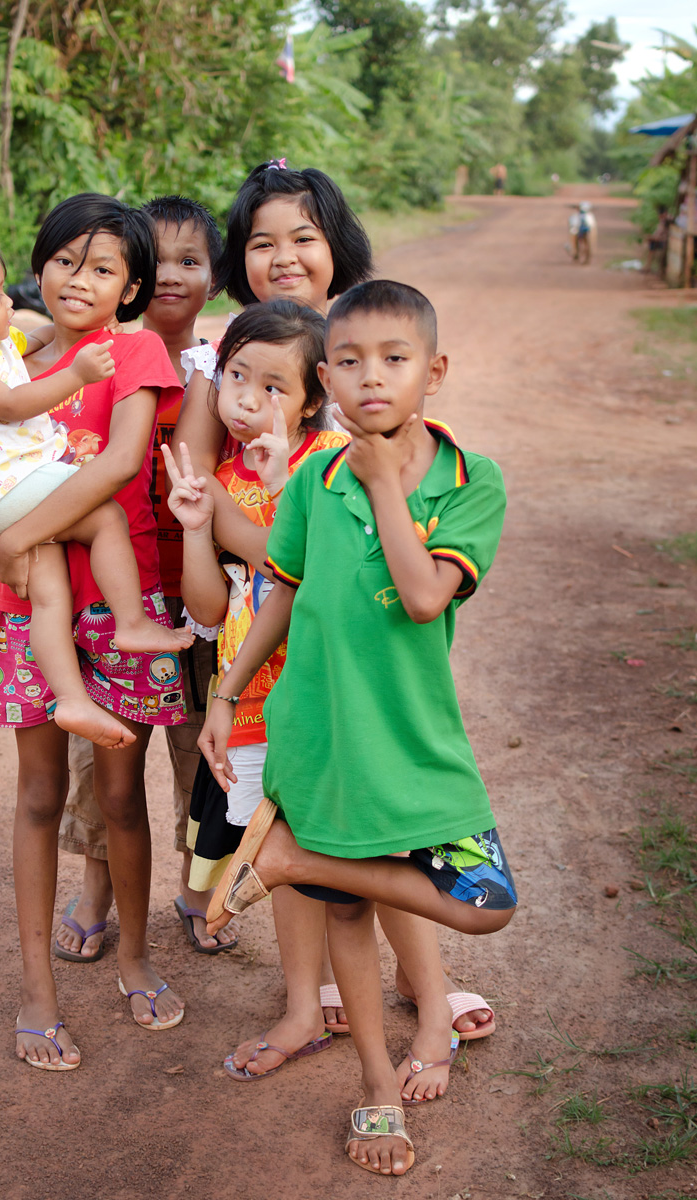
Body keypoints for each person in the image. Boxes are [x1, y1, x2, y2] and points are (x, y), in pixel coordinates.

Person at [174, 159, 496, 1049]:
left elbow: (416, 519)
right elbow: (211, 494)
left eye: (304, 238)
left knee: (384, 823)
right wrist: (274, 534)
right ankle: (309, 996)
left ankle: (424, 986)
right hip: (267, 625)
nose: (283, 257)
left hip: (360, 641)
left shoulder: (369, 344)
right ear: (238, 258)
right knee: (296, 822)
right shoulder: (230, 358)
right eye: (261, 242)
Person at [198, 280, 517, 1174]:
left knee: (486, 902)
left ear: (433, 372)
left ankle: (289, 861)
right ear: (327, 380)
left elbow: (423, 598)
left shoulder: (471, 481)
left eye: (394, 358)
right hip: (319, 735)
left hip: (414, 744)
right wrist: (225, 695)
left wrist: (382, 484)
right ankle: (377, 1084)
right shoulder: (314, 479)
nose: (371, 377)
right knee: (348, 915)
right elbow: (282, 595)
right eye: (348, 361)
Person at [0, 193, 190, 1068]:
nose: (80, 279)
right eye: (66, 260)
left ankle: (135, 956)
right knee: (38, 797)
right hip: (31, 607)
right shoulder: (9, 355)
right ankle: (37, 990)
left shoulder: (134, 350)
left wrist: (13, 541)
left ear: (131, 287)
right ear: (38, 265)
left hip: (118, 602)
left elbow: (120, 463)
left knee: (121, 797)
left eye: (104, 267)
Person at [0, 222, 193, 753]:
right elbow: (11, 408)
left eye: (101, 270)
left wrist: (68, 334)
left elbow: (39, 336)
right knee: (105, 517)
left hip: (21, 526)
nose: (10, 303)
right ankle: (132, 621)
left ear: (129, 287)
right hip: (18, 512)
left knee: (49, 597)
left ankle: (70, 699)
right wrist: (78, 373)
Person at [165, 299, 351, 1079]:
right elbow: (210, 608)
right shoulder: (220, 480)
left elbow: (307, 568)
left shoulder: (335, 460)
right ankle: (307, 1000)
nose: (247, 398)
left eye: (274, 386)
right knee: (285, 853)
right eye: (236, 376)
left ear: (312, 398)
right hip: (253, 696)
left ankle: (419, 992)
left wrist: (279, 486)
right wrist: (195, 526)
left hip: (330, 695)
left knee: (361, 851)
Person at [54, 195, 241, 958]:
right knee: (107, 756)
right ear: (129, 277)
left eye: (189, 261)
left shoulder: (226, 367)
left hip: (199, 599)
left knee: (203, 755)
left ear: (214, 278)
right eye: (154, 260)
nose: (170, 275)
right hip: (111, 596)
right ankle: (97, 881)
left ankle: (199, 884)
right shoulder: (92, 359)